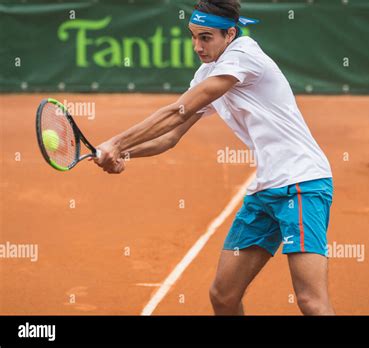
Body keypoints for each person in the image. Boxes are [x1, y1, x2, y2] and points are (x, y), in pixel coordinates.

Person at [93, 0, 335, 315]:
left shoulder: (244, 55)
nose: (197, 46)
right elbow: (171, 135)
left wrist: (116, 140)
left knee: (310, 301)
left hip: (302, 183)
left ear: (230, 34)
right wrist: (122, 152)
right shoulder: (208, 72)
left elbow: (176, 110)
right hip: (266, 189)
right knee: (223, 296)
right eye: (193, 36)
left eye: (205, 37)